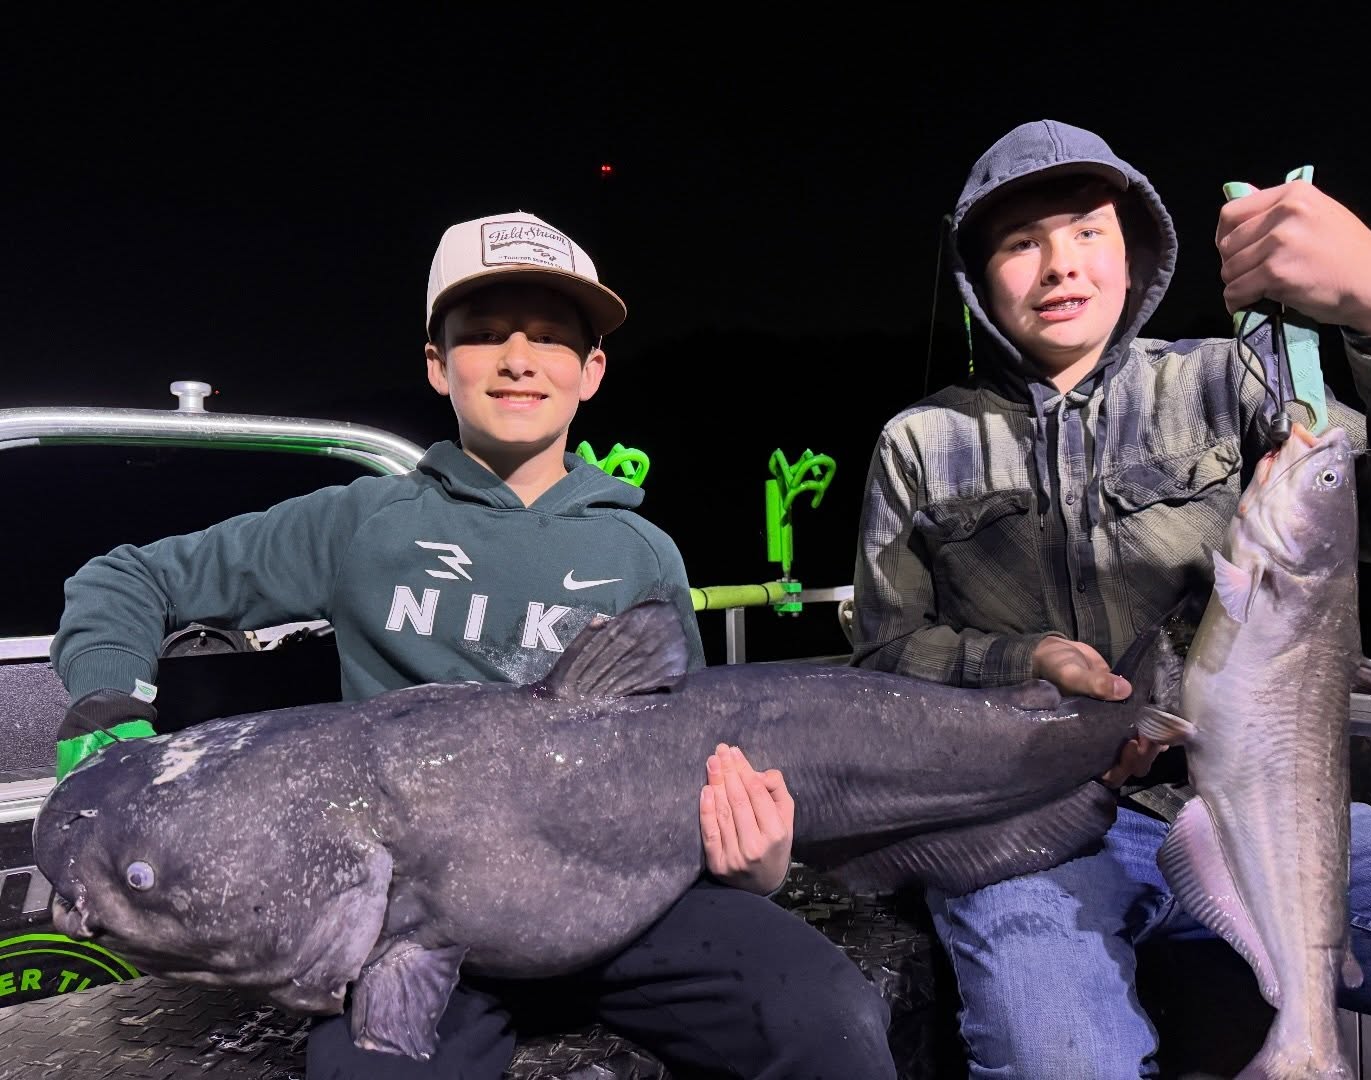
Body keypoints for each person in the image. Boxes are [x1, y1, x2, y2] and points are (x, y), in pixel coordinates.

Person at [51, 210, 896, 1079]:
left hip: (632, 908)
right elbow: (125, 578)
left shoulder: (640, 552)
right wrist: (108, 703)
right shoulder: (362, 524)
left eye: (551, 337)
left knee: (829, 1018)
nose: (518, 359)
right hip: (413, 932)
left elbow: (692, 748)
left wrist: (752, 859)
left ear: (592, 370)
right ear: (437, 363)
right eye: (485, 334)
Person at [850, 118, 1371, 1078]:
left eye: (1088, 231)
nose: (1060, 264)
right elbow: (885, 652)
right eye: (1020, 242)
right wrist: (1024, 661)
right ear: (976, 279)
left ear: (1136, 256)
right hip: (1028, 833)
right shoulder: (919, 443)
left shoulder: (1229, 382)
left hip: (1261, 812)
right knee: (1058, 1055)